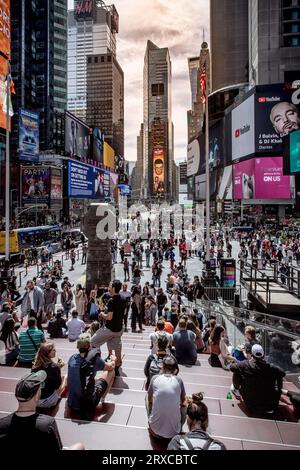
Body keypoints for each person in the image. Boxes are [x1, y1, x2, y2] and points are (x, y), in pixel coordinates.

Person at [0, 371, 84, 450]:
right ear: (36, 396)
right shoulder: (47, 423)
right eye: (40, 389)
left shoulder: (2, 424)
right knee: (80, 446)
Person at [67, 335, 115, 420]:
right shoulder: (94, 359)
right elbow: (110, 367)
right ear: (89, 346)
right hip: (88, 403)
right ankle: (102, 399)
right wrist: (113, 360)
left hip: (72, 403)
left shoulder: (72, 358)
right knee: (111, 372)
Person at [230, 345, 286, 416]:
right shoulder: (272, 368)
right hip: (271, 407)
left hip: (252, 406)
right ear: (263, 356)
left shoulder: (245, 365)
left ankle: (236, 390)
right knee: (277, 376)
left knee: (237, 372)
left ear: (252, 354)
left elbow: (232, 368)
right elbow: (282, 373)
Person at [146, 356, 186, 444]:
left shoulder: (155, 378)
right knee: (185, 403)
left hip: (154, 432)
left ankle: (152, 420)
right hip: (175, 434)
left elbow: (150, 398)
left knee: (147, 397)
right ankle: (178, 425)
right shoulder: (179, 380)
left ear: (163, 367)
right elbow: (183, 400)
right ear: (175, 369)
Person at [91, 280, 126, 375]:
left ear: (114, 288)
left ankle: (95, 362)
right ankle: (117, 368)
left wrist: (102, 314)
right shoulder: (124, 298)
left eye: (110, 286)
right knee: (117, 349)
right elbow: (125, 313)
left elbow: (109, 317)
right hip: (119, 328)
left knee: (92, 341)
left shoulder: (111, 300)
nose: (108, 287)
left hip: (109, 328)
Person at [32, 342, 66, 409]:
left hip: (35, 401)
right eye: (53, 350)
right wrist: (58, 369)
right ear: (48, 353)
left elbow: (47, 371)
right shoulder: (54, 367)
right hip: (47, 402)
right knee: (65, 377)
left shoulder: (35, 366)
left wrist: (57, 368)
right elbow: (57, 386)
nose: (55, 351)